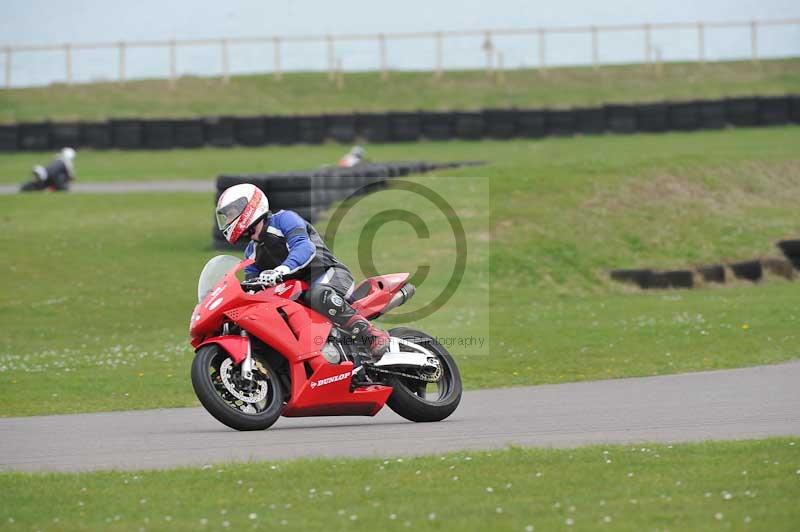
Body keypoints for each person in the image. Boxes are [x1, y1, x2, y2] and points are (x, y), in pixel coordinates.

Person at [215, 183, 391, 362]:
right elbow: (253, 286)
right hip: (298, 292)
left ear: (249, 206)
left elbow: (304, 246)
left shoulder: (284, 219)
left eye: (230, 214)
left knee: (318, 295)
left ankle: (372, 335)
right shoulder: (251, 252)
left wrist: (282, 269)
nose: (228, 221)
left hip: (329, 273)